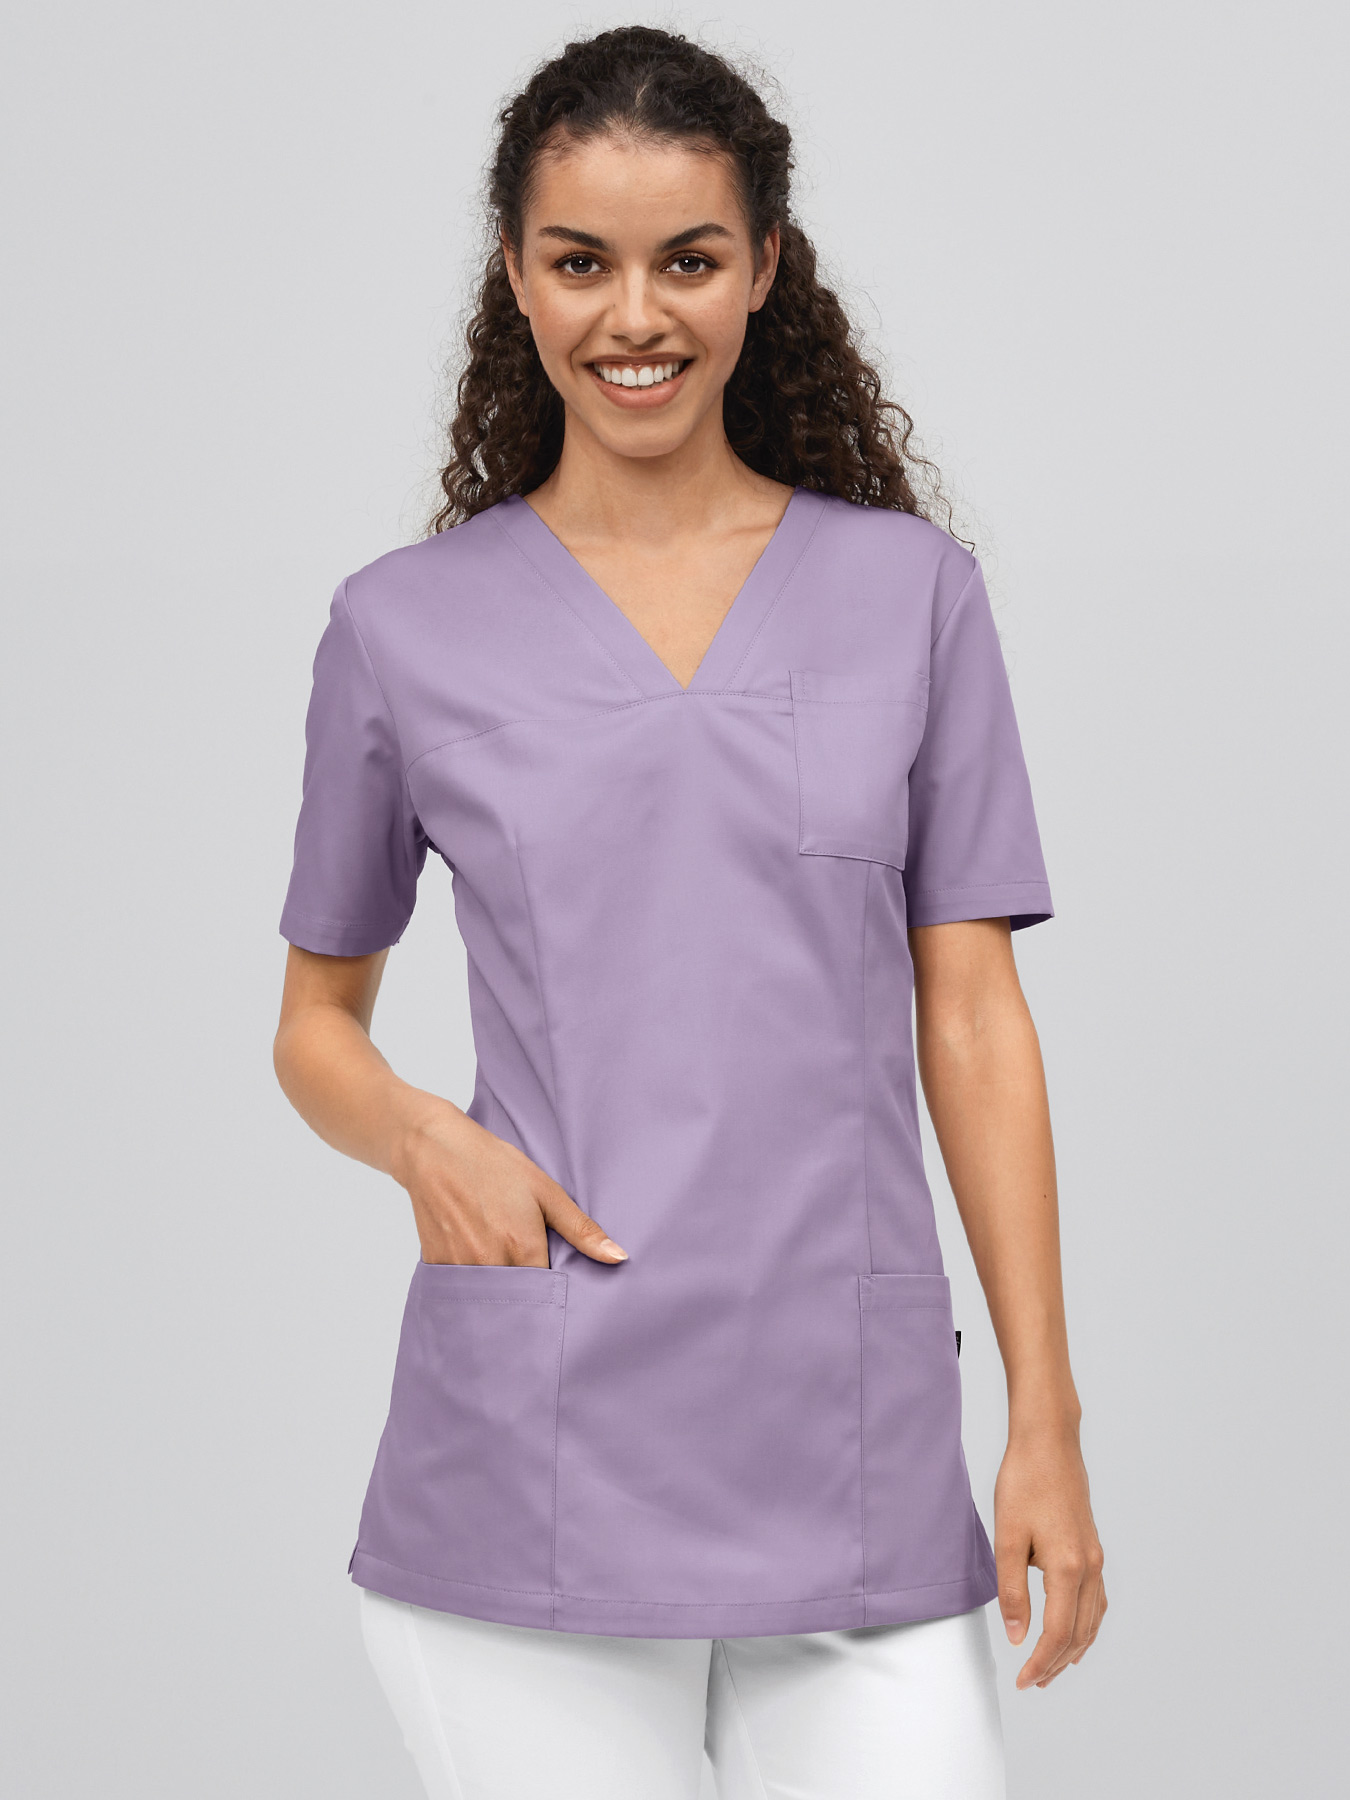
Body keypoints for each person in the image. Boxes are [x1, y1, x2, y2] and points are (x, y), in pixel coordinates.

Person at [272, 24, 1106, 1800]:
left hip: (852, 1447)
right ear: (515, 275)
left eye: (688, 261)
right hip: (534, 1451)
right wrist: (426, 1141)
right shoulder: (403, 628)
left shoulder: (909, 597)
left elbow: (971, 1017)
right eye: (580, 262)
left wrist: (1042, 1414)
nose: (632, 315)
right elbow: (313, 1028)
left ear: (763, 271)